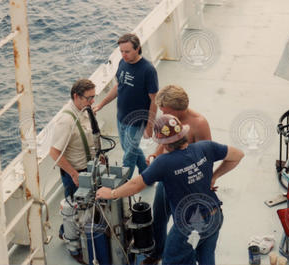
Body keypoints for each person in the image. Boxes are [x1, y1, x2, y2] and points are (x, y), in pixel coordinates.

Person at [96, 114, 244, 265]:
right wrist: (214, 176)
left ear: (164, 143)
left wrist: (112, 193)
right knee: (206, 257)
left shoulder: (163, 163)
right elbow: (238, 155)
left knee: (171, 260)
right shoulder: (206, 147)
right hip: (214, 215)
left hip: (190, 226)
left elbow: (136, 185)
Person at [144, 84, 213, 264]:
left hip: (186, 186)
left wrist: (210, 179)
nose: (160, 112)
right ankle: (157, 251)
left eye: (163, 109)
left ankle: (186, 256)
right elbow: (167, 138)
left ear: (177, 109)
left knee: (183, 226)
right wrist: (155, 155)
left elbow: (207, 156)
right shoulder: (171, 120)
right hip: (167, 179)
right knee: (159, 217)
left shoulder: (199, 123)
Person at [93, 33, 159, 179]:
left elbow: (155, 100)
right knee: (129, 149)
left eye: (127, 51)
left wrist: (149, 126)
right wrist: (101, 104)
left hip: (136, 122)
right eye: (121, 51)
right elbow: (118, 86)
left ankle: (123, 187)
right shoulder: (122, 63)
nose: (124, 54)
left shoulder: (148, 70)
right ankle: (147, 174)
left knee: (128, 157)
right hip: (121, 117)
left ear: (137, 49)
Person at [49, 79, 96, 260]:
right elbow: (54, 153)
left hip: (88, 169)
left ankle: (63, 231)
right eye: (89, 98)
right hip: (75, 175)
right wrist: (74, 174)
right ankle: (73, 246)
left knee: (84, 209)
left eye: (94, 97)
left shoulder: (85, 110)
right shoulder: (66, 120)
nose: (92, 101)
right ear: (76, 97)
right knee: (75, 211)